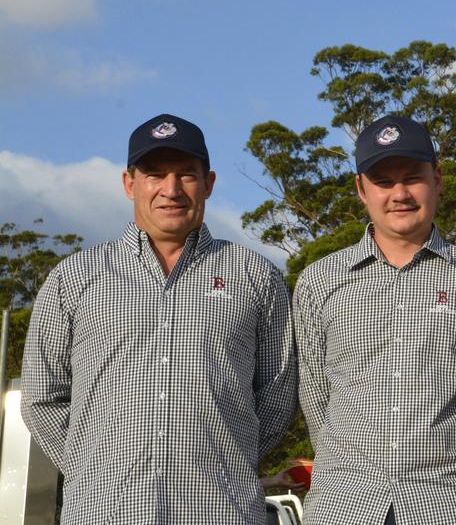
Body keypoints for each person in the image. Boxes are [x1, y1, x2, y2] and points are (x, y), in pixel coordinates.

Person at [21, 113, 296, 524]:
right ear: (129, 183)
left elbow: (277, 396)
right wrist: (92, 467)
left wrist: (222, 459)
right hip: (103, 512)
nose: (171, 189)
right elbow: (42, 396)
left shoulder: (255, 276)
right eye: (154, 174)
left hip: (222, 511)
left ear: (209, 183)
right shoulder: (74, 278)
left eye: (187, 174)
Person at [293, 115, 456, 525]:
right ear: (361, 189)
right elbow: (315, 393)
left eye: (413, 177)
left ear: (438, 179)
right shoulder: (319, 280)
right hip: (344, 504)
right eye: (383, 182)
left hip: (452, 503)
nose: (400, 194)